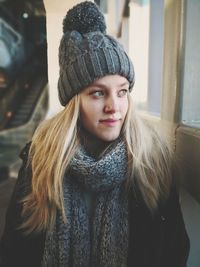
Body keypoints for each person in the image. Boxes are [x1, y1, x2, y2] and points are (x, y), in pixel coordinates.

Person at [0, 1, 189, 267]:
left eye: (122, 91)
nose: (114, 107)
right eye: (98, 93)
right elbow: (14, 251)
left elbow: (174, 250)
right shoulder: (40, 162)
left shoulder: (152, 162)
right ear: (74, 101)